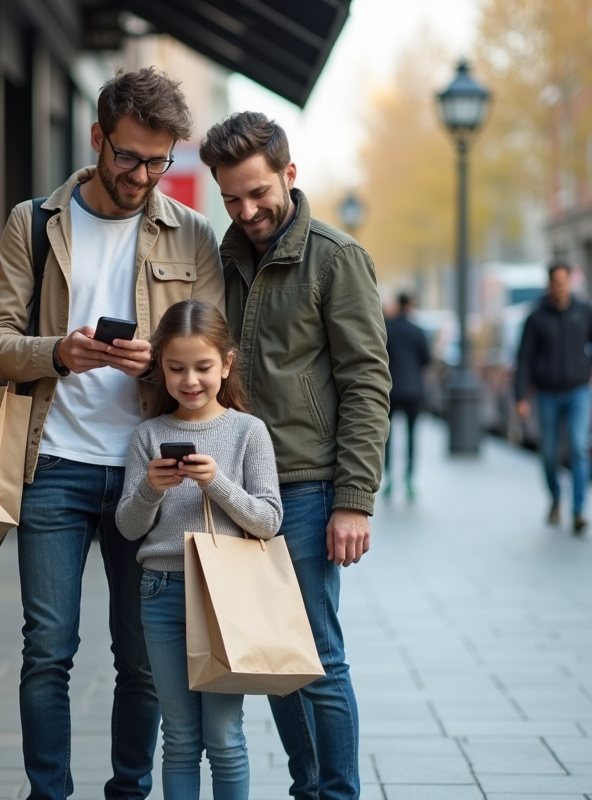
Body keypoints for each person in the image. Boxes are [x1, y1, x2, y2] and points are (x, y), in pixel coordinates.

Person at [0, 67, 224, 800]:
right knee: (48, 650)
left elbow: (210, 359)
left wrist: (162, 364)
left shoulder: (194, 233)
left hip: (152, 472)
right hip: (53, 462)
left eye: (159, 160)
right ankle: (48, 794)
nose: (142, 175)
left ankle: (128, 791)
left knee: (142, 657)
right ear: (97, 139)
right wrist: (58, 351)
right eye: (128, 157)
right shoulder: (36, 223)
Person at [199, 112, 391, 800]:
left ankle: (335, 794)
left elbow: (367, 383)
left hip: (309, 491)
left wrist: (354, 500)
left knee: (319, 659)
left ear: (289, 174)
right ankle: (306, 789)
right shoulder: (217, 261)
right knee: (274, 659)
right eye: (232, 199)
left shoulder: (336, 259)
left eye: (259, 193)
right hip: (240, 490)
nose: (247, 211)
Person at [116, 300, 282, 800]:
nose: (190, 380)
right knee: (180, 738)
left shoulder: (248, 431)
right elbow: (127, 528)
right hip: (162, 591)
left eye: (203, 367)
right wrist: (150, 488)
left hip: (226, 596)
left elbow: (269, 521)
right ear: (160, 368)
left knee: (225, 738)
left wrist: (218, 485)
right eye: (176, 368)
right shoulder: (148, 436)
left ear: (226, 364)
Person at [514, 262, 592, 533]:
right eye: (555, 283)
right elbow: (523, 359)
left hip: (578, 392)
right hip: (547, 393)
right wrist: (520, 396)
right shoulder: (536, 316)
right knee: (548, 452)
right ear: (549, 285)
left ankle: (579, 510)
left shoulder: (584, 311)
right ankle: (556, 498)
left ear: (570, 282)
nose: (560, 287)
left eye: (564, 282)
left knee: (579, 447)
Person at [383, 292, 431, 499]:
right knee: (412, 436)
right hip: (413, 390)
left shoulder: (387, 329)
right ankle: (409, 478)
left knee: (387, 436)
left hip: (390, 390)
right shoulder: (417, 330)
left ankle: (389, 478)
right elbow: (426, 359)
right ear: (410, 304)